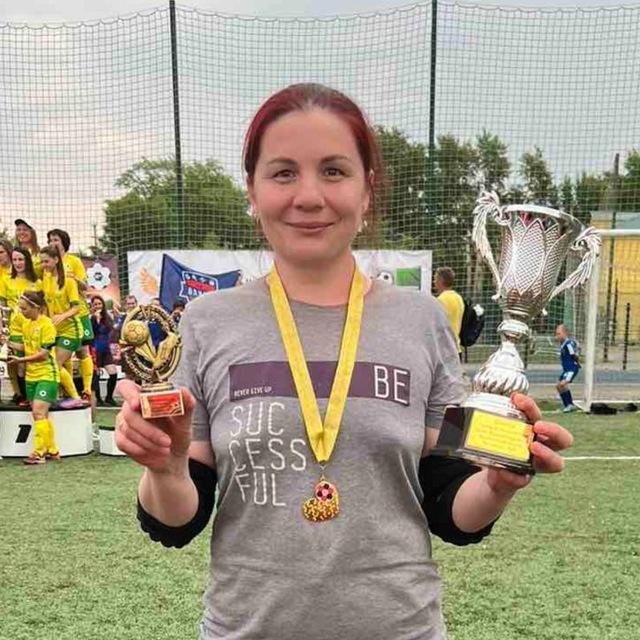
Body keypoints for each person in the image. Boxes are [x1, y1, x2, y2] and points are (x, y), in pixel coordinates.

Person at [115, 83, 573, 640]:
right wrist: (165, 468)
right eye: (283, 173)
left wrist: (497, 482)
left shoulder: (424, 320)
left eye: (333, 171)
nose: (309, 196)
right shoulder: (207, 321)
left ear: (367, 189)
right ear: (253, 191)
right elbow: (178, 520)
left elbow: (448, 496)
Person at [8, 291, 61, 465]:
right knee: (41, 415)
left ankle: (39, 453)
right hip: (31, 376)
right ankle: (52, 450)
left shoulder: (47, 325)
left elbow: (44, 354)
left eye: (24, 308)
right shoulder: (26, 324)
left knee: (38, 412)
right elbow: (27, 347)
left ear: (35, 307)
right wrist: (7, 343)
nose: (21, 311)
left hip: (47, 375)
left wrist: (20, 360)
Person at [47, 229, 95, 402]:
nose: (52, 243)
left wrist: (74, 279)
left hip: (78, 313)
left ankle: (87, 389)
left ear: (64, 242)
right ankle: (64, 392)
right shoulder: (48, 265)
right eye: (50, 240)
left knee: (82, 351)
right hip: (57, 317)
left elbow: (85, 287)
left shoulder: (73, 261)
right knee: (61, 354)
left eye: (56, 240)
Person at [39, 244, 84, 408]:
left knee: (54, 364)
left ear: (56, 260)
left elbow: (77, 307)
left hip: (71, 331)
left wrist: (62, 316)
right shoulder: (46, 278)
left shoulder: (69, 281)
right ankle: (59, 396)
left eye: (46, 261)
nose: (43, 265)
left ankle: (76, 397)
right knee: (51, 364)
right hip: (54, 330)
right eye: (42, 262)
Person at [0, 247, 42, 405]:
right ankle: (22, 396)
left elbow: (42, 308)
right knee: (19, 364)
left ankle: (35, 396)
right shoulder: (6, 281)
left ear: (27, 261)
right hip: (15, 329)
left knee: (33, 363)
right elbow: (2, 305)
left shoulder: (37, 283)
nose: (18, 263)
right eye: (15, 260)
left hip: (34, 329)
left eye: (21, 259)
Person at [90, 294, 118, 406]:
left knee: (113, 373)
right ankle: (98, 399)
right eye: (95, 304)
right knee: (96, 375)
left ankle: (109, 397)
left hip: (106, 350)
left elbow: (112, 329)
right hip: (95, 349)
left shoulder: (107, 317)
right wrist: (96, 319)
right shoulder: (91, 318)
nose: (98, 306)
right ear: (92, 306)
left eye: (99, 304)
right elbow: (92, 333)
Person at [434, 266, 465, 358]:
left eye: (435, 279)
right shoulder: (458, 298)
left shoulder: (440, 300)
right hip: (456, 348)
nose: (434, 282)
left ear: (440, 280)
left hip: (443, 351)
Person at [555, 323, 580, 413]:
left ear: (565, 333)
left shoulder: (568, 343)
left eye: (559, 334)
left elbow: (573, 354)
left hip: (571, 369)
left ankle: (570, 405)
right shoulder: (564, 343)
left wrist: (576, 362)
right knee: (558, 386)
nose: (557, 336)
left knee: (562, 384)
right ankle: (567, 404)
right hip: (566, 369)